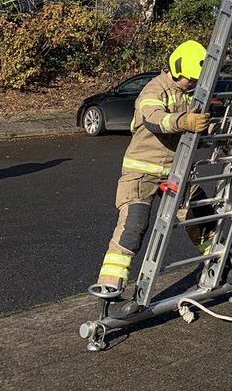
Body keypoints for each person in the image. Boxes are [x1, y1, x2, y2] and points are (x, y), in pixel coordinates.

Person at [90, 39, 216, 318]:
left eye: (195, 80)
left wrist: (209, 127)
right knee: (133, 226)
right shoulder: (153, 90)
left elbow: (198, 124)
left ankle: (218, 265)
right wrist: (183, 122)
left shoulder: (190, 93)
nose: (191, 84)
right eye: (189, 79)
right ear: (177, 68)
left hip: (175, 169)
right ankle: (110, 294)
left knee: (202, 215)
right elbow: (154, 119)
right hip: (142, 171)